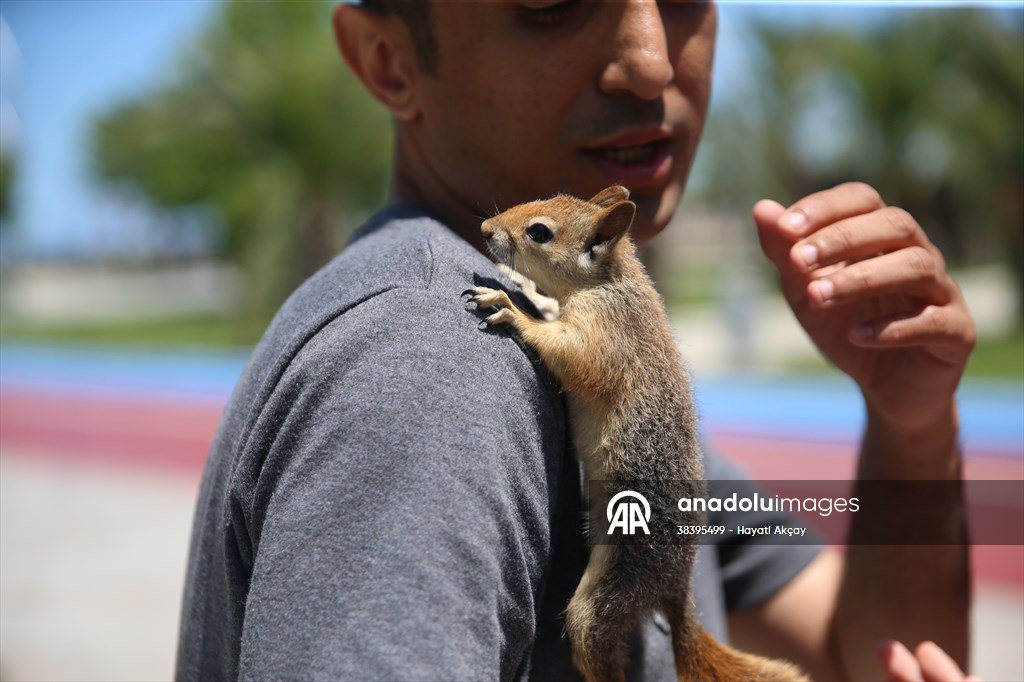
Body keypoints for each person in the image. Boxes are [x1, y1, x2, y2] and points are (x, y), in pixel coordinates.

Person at [175, 2, 979, 680]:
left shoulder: (628, 394)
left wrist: (911, 427)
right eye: (554, 3)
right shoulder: (438, 355)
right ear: (388, 61)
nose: (651, 62)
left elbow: (864, 655)